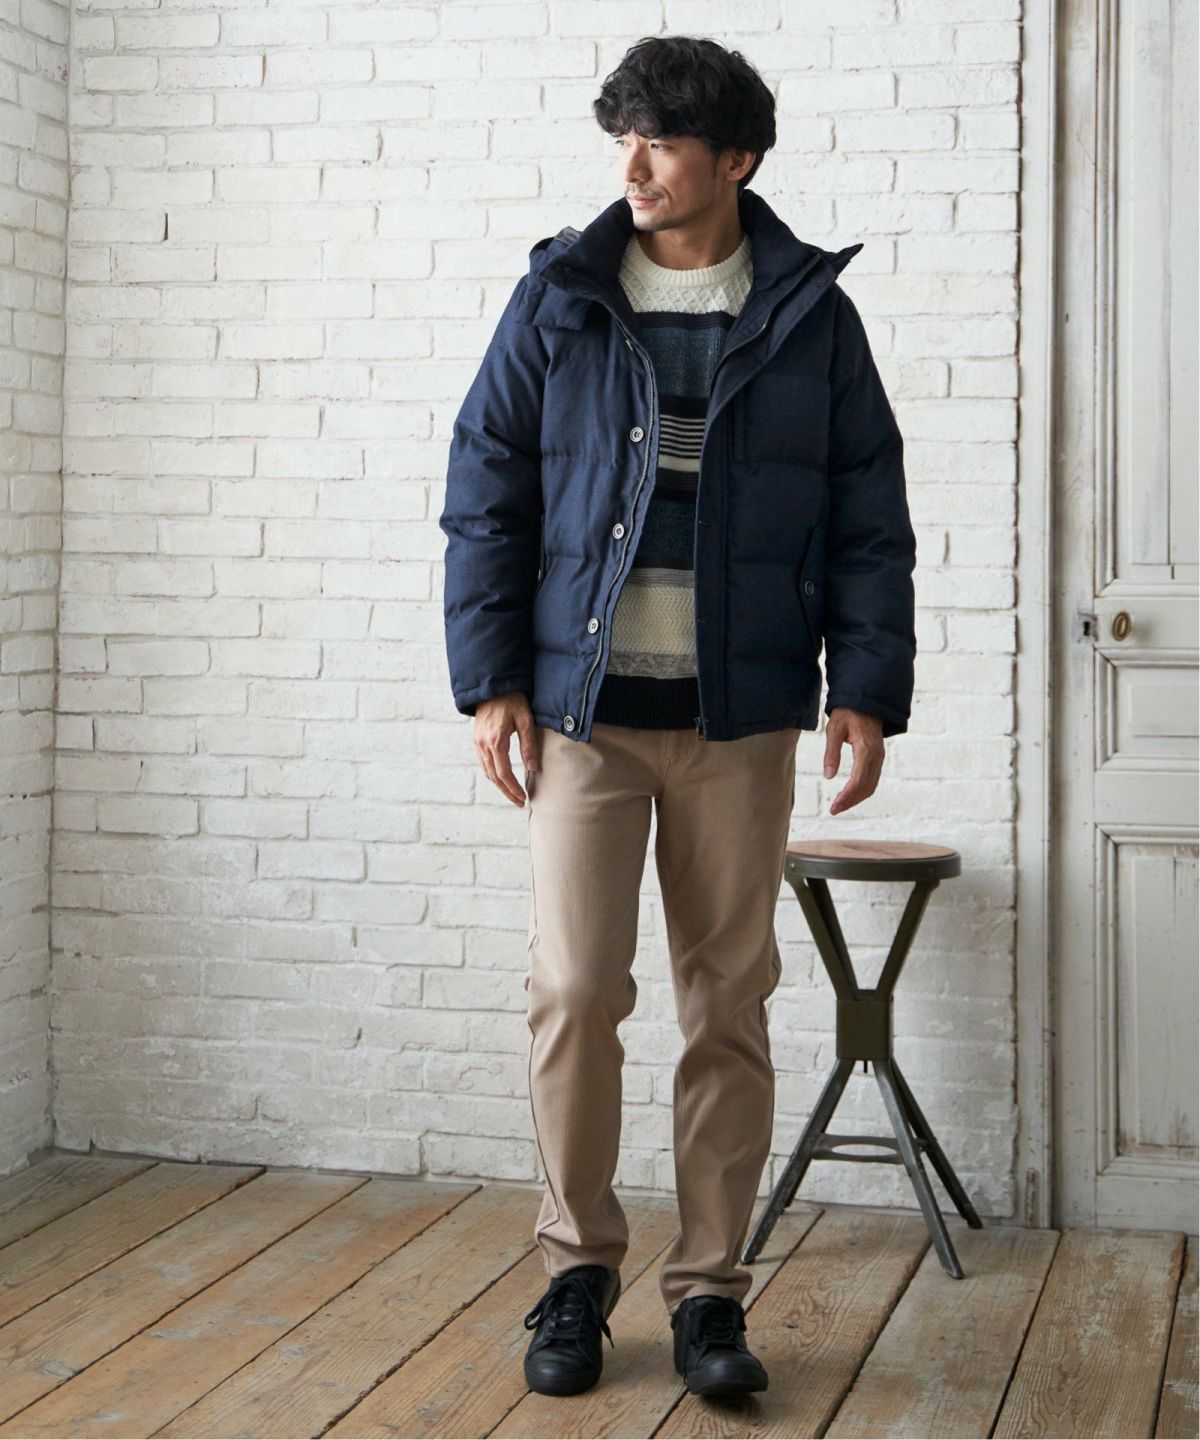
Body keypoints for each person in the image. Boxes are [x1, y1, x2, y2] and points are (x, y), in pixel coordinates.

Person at [438, 34, 916, 1402]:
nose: (633, 164)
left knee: (727, 1004)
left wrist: (865, 689)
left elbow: (869, 514)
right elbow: (487, 488)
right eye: (623, 138)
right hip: (584, 714)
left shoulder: (810, 314)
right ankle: (575, 1271)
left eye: (659, 140)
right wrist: (490, 679)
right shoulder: (562, 296)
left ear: (736, 160)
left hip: (740, 718)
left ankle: (710, 1291)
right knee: (576, 993)